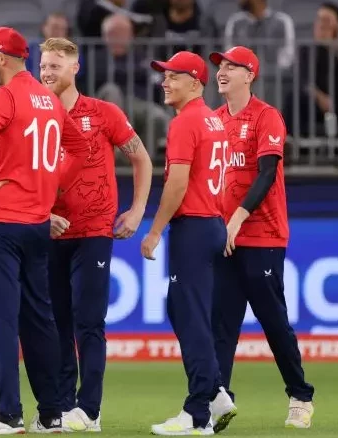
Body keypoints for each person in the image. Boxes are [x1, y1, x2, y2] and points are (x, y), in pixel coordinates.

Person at [0, 26, 91, 434]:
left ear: (3, 57)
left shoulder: (3, 96)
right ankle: (52, 413)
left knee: (4, 320)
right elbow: (79, 149)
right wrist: (50, 185)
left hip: (0, 224)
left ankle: (7, 414)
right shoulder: (49, 101)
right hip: (37, 226)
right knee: (40, 320)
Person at [38, 37, 154, 432]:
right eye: (43, 65)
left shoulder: (102, 113)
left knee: (89, 321)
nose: (47, 72)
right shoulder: (36, 118)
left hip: (92, 232)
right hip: (49, 232)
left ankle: (89, 410)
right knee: (57, 323)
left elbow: (140, 156)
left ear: (75, 68)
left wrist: (138, 210)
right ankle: (63, 407)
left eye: (55, 65)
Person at [209, 46, 315, 431]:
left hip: (262, 233)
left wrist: (237, 217)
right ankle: (218, 400)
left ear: (250, 74)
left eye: (232, 67)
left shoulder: (266, 117)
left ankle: (301, 395)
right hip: (225, 236)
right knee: (221, 322)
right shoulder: (215, 121)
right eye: (220, 66)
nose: (222, 71)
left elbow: (266, 174)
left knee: (272, 320)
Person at [141, 51, 227, 436]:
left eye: (173, 76)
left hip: (192, 226)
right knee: (183, 310)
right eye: (164, 75)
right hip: (210, 223)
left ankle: (198, 414)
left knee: (189, 316)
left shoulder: (186, 122)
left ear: (195, 83)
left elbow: (177, 184)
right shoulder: (213, 121)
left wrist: (155, 229)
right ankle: (216, 394)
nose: (165, 81)